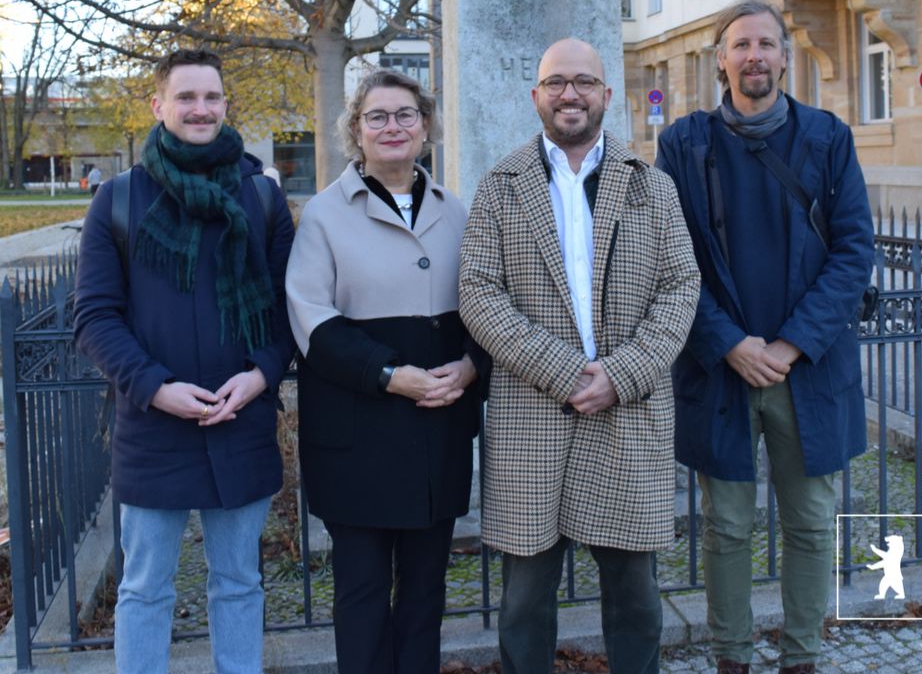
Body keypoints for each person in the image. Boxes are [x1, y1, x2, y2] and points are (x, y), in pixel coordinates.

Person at [459, 38, 700, 673]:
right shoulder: (501, 186)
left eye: (585, 82)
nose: (571, 94)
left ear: (606, 95)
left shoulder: (653, 187)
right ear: (536, 96)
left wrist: (620, 375)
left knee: (635, 598)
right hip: (531, 417)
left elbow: (681, 288)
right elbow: (479, 295)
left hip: (627, 413)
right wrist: (566, 374)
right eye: (557, 82)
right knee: (524, 603)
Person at [655, 0, 875, 674]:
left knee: (810, 523)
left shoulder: (827, 138)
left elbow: (853, 250)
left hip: (806, 369)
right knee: (725, 529)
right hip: (722, 370)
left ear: (785, 55)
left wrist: (790, 345)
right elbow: (671, 257)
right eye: (740, 44)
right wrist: (727, 342)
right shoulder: (684, 144)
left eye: (766, 44)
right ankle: (731, 658)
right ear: (720, 60)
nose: (754, 55)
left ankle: (802, 656)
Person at [74, 49, 296, 674]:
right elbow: (94, 315)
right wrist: (154, 387)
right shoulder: (118, 200)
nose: (201, 109)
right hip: (153, 429)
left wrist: (260, 375)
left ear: (227, 105)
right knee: (145, 590)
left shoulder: (261, 199)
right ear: (159, 106)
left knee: (239, 584)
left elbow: (288, 310)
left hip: (241, 423)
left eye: (212, 98)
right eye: (186, 97)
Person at [285, 69, 484, 674]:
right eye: (378, 116)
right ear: (357, 131)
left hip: (437, 435)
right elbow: (312, 321)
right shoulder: (323, 216)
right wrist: (389, 373)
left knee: (426, 593)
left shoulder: (459, 212)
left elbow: (486, 306)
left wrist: (473, 367)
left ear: (426, 127)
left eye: (405, 114)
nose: (392, 126)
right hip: (357, 437)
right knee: (364, 594)